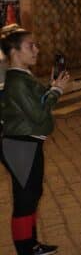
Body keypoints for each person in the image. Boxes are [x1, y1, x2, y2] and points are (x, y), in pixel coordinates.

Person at [1, 28, 70, 255]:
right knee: (25, 198)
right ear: (14, 51)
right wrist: (56, 91)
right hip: (20, 145)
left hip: (29, 143)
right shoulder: (17, 81)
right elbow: (39, 114)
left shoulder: (23, 77)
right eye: (31, 45)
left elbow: (41, 102)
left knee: (32, 194)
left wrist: (51, 87)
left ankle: (31, 243)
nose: (36, 49)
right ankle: (25, 248)